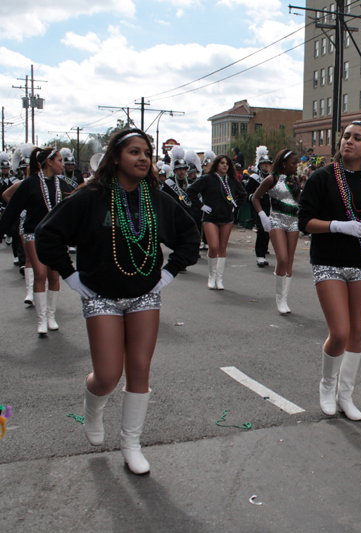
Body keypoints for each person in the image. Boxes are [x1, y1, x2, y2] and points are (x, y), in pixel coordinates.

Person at [34, 129, 200, 474]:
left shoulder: (156, 197)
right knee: (108, 375)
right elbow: (47, 235)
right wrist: (70, 275)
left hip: (144, 296)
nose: (143, 159)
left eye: (148, 153)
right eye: (134, 152)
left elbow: (189, 235)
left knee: (139, 369)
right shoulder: (90, 196)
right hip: (101, 297)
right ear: (115, 157)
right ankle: (93, 407)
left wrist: (168, 273)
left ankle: (131, 444)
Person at [298, 120, 361, 420]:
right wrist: (337, 226)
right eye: (345, 137)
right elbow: (304, 222)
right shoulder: (321, 177)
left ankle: (346, 395)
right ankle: (327, 387)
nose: (348, 142)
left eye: (356, 138)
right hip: (328, 262)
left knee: (356, 332)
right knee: (339, 333)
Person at [0, 146, 74, 336]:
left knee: (54, 276)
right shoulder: (30, 183)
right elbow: (12, 209)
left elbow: (79, 205)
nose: (62, 164)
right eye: (59, 160)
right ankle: (41, 320)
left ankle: (51, 316)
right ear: (49, 162)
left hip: (55, 237)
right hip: (32, 233)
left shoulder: (63, 185)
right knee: (40, 273)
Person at [252, 148, 302, 314]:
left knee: (289, 262)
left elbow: (299, 203)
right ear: (284, 163)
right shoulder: (271, 179)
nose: (297, 166)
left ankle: (285, 299)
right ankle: (279, 299)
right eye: (294, 163)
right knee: (281, 259)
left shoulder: (294, 182)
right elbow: (255, 197)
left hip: (293, 223)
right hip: (276, 221)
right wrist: (263, 216)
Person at [186, 154, 247, 290]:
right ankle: (211, 275)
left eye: (227, 163)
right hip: (210, 218)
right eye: (222, 163)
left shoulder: (231, 180)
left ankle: (219, 278)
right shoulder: (207, 179)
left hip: (227, 218)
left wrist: (235, 206)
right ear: (216, 165)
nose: (225, 165)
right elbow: (191, 191)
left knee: (222, 248)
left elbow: (243, 194)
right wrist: (201, 206)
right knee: (213, 246)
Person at [247, 146, 272, 268]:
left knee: (268, 230)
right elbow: (247, 193)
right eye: (263, 164)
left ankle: (264, 250)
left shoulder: (274, 178)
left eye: (268, 164)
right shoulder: (254, 178)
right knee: (261, 229)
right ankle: (259, 256)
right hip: (258, 207)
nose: (266, 166)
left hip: (271, 207)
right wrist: (255, 195)